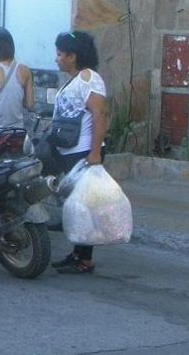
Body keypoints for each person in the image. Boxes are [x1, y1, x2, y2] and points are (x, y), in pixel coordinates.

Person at [49, 30, 108, 274]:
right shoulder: (76, 80)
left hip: (84, 151)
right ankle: (77, 253)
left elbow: (100, 114)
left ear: (72, 56)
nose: (57, 59)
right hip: (72, 151)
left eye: (60, 54)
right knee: (78, 206)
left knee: (85, 207)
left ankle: (84, 259)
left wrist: (94, 153)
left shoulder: (89, 79)